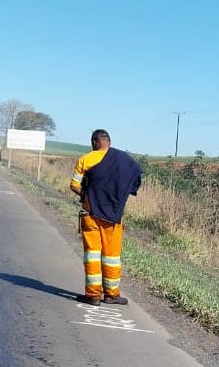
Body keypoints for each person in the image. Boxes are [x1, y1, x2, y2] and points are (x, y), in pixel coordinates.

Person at [70, 129, 142, 306]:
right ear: (109, 142)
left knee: (92, 255)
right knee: (112, 257)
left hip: (91, 214)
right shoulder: (126, 161)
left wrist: (87, 197)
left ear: (95, 142)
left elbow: (74, 185)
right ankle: (112, 295)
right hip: (114, 218)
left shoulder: (85, 160)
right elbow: (136, 182)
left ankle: (93, 295)